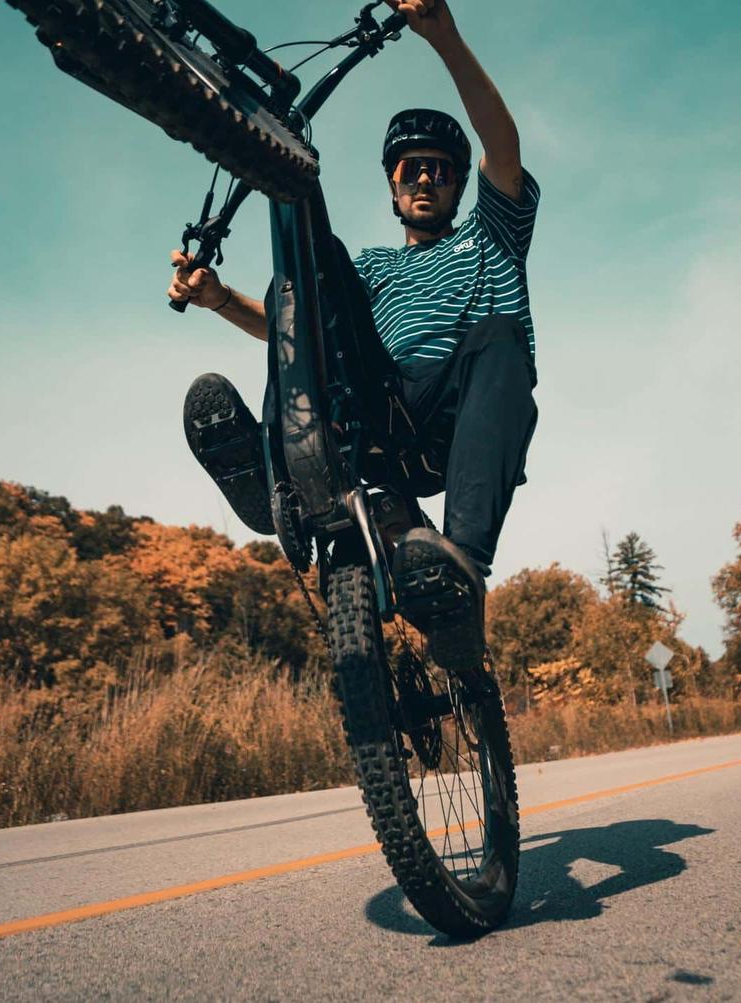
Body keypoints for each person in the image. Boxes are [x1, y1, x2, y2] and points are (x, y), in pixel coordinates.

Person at [168, 0, 539, 671]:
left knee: (501, 336)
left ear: (460, 185)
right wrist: (219, 299)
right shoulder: (372, 269)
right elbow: (298, 334)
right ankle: (271, 471)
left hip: (456, 418)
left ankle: (459, 569)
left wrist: (446, 39)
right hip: (379, 413)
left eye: (441, 169)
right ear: (394, 187)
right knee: (310, 275)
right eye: (411, 169)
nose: (426, 176)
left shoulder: (494, 238)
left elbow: (502, 145)